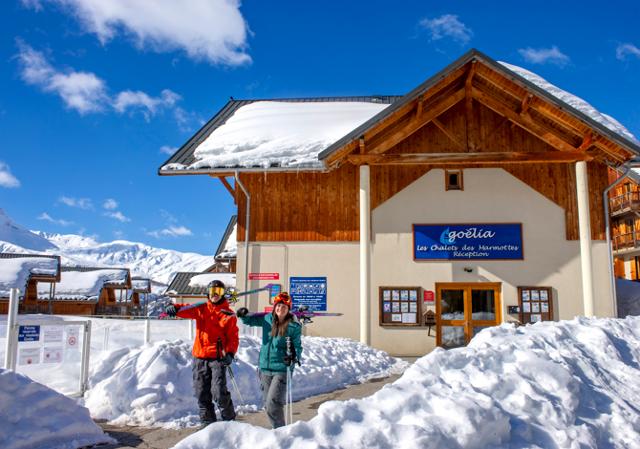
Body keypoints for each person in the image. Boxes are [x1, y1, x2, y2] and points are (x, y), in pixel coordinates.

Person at [164, 279, 238, 426]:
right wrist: (173, 307)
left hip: (218, 358)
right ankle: (207, 423)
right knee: (201, 393)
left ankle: (229, 421)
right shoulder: (201, 308)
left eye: (219, 291)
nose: (215, 294)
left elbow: (233, 337)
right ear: (208, 293)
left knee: (218, 392)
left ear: (223, 294)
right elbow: (185, 309)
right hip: (200, 357)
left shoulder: (228, 314)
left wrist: (230, 353)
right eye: (212, 291)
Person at [236, 292, 302, 428]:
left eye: (284, 306)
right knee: (268, 404)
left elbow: (297, 346)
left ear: (288, 309)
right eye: (278, 306)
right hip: (265, 368)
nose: (280, 309)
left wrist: (293, 357)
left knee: (273, 403)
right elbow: (250, 321)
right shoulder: (267, 319)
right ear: (274, 307)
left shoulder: (293, 326)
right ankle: (279, 430)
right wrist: (243, 314)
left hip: (282, 369)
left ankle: (280, 432)